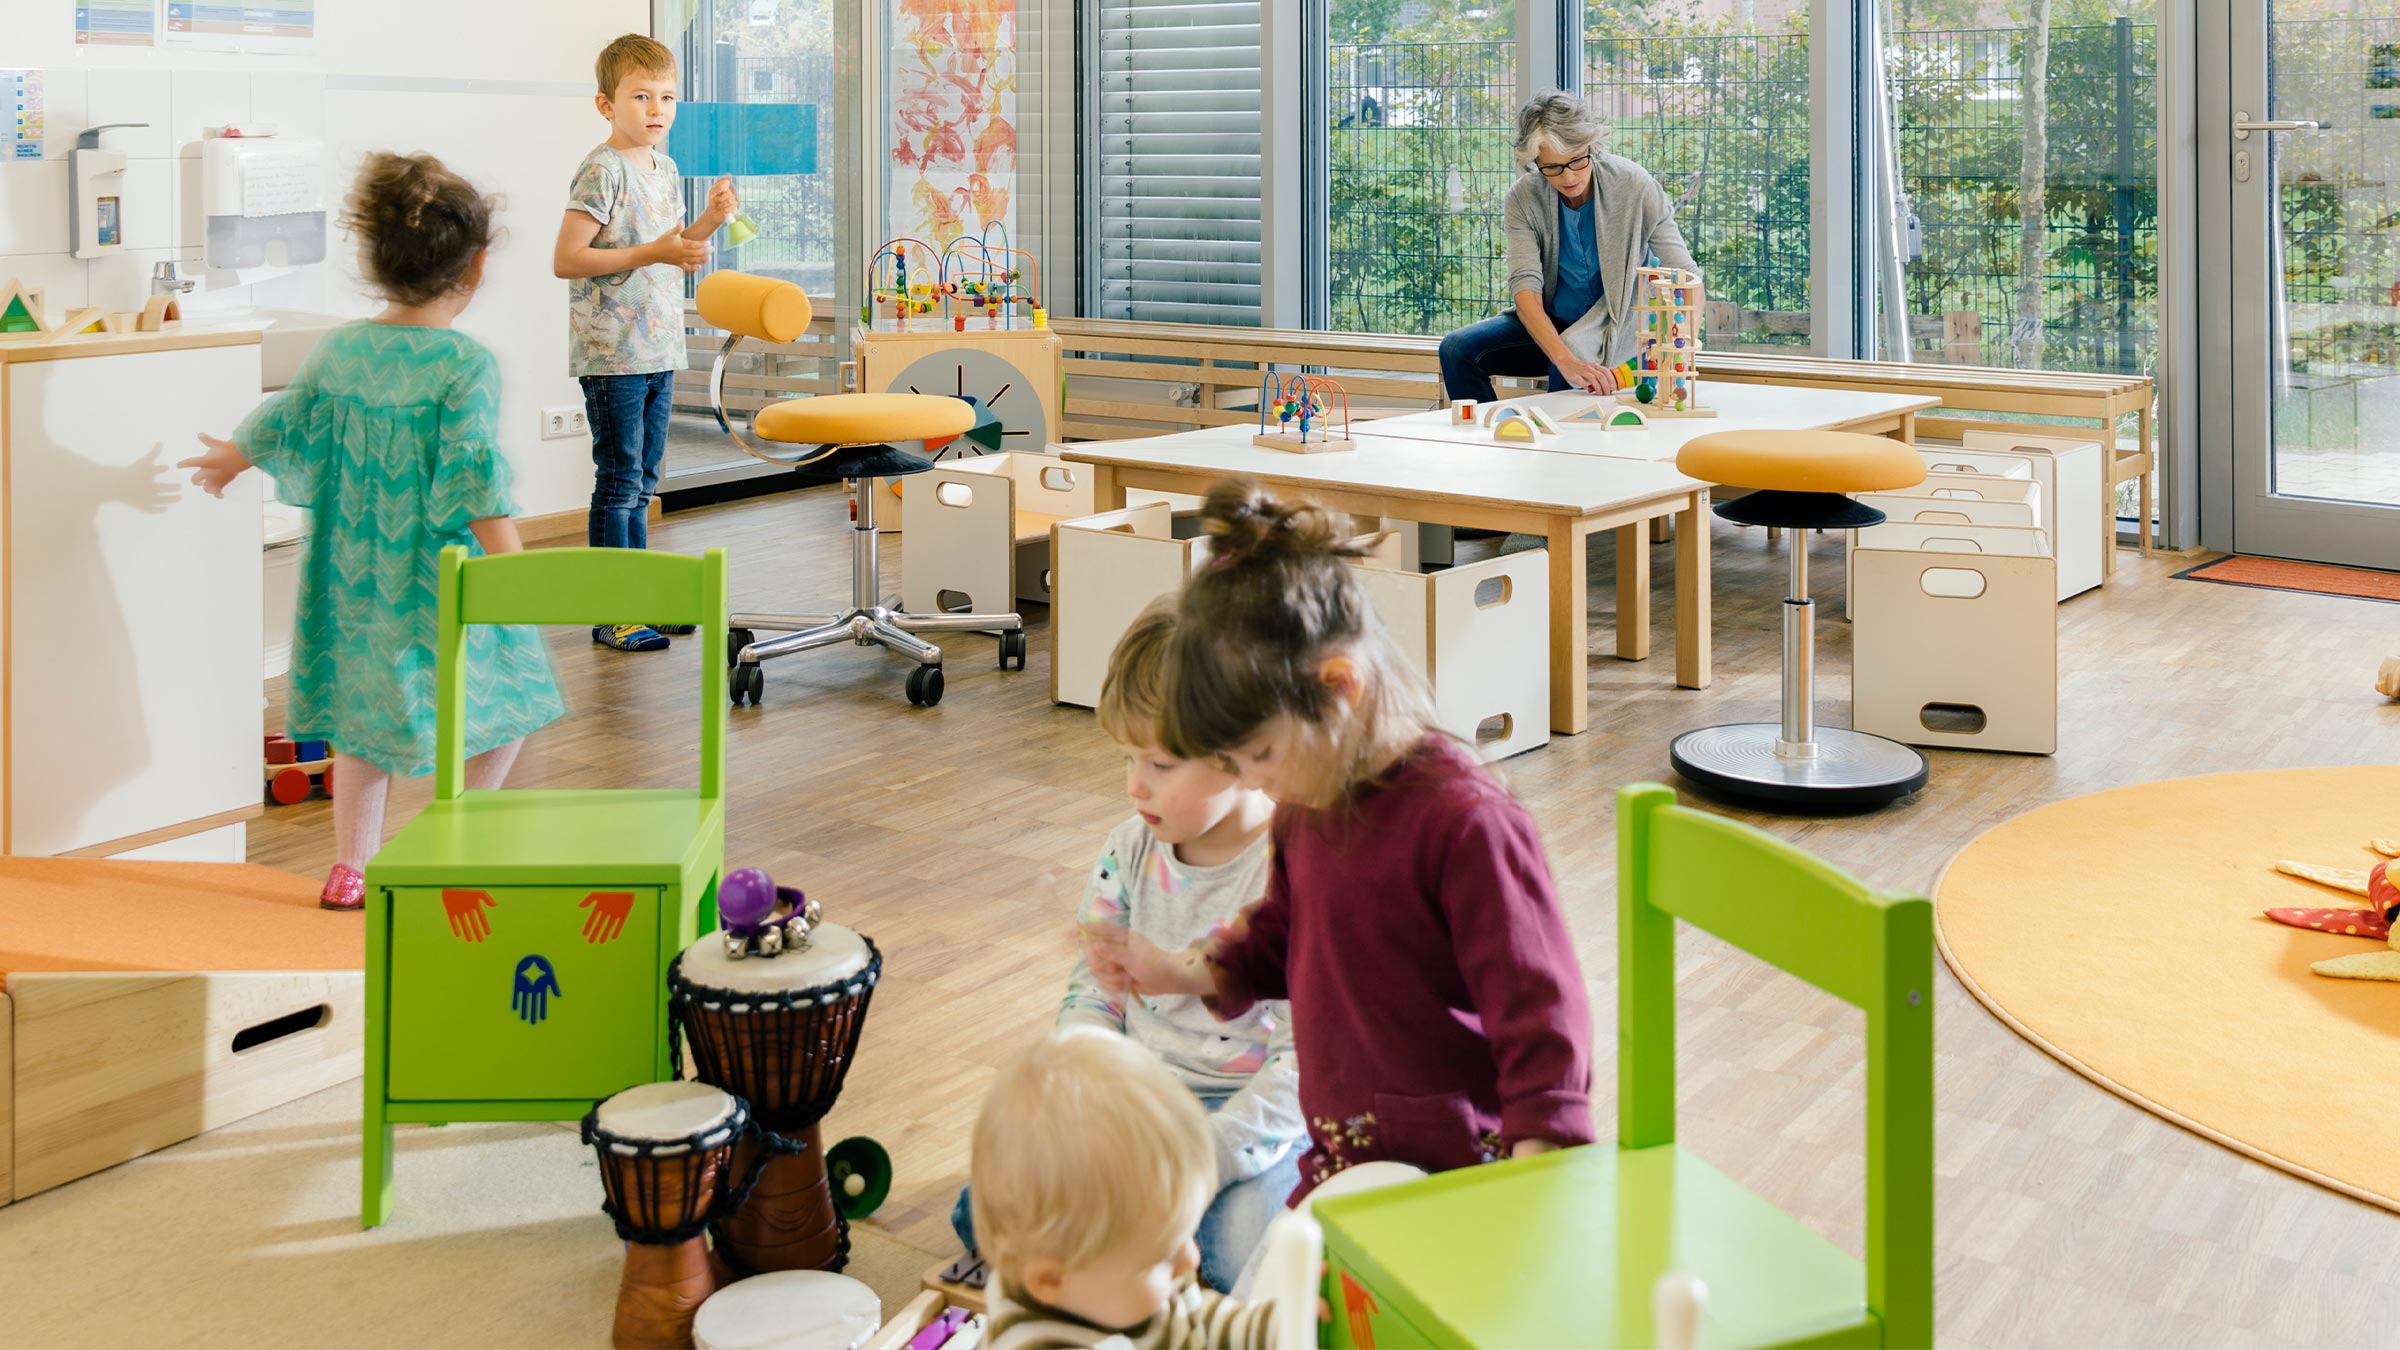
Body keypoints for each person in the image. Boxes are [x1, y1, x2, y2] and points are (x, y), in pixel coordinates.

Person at [1085, 479, 1594, 1200]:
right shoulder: (1308, 802)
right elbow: (1281, 937)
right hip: (1345, 1153)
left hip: (1459, 1173)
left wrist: (1538, 1172)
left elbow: (1541, 1017)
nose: (1257, 786)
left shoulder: (1466, 822)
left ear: (1339, 688)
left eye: (1259, 756)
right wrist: (1184, 971)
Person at [182, 152, 566, 912]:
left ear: (374, 262)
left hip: (353, 571)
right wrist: (512, 566)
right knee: (512, 695)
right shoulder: (464, 365)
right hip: (437, 572)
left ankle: (351, 868)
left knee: (362, 724)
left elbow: (288, 416)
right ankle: (457, 829)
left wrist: (233, 456)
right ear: (478, 265)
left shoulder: (342, 347)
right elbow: (471, 475)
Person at [951, 605, 1305, 1293]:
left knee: (1243, 1251)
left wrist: (1206, 1160)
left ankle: (1139, 1256)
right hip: (1137, 1111)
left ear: (1246, 756)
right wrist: (1086, 1078)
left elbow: (1307, 1061)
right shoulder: (1128, 847)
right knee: (986, 1209)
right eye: (1127, 757)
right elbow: (1094, 988)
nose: (1133, 784)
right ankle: (1141, 1256)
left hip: (1245, 1128)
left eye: (1160, 763)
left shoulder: (1294, 869)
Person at [552, 32, 739, 652]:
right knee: (619, 478)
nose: (657, 109)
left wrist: (710, 220)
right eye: (640, 96)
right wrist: (658, 250)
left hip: (660, 346)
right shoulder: (601, 168)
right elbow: (568, 258)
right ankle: (613, 610)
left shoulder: (665, 167)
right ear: (607, 105)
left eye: (667, 97)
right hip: (613, 354)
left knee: (646, 480)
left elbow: (671, 245)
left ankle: (644, 599)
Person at [971, 1027, 1289, 1349]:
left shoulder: (1118, 1285)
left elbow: (1193, 1320)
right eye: (1164, 1254)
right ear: (1051, 1280)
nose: (1190, 1260)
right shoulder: (1035, 1343)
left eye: (1184, 1237)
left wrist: (1276, 1325)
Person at [1437, 89, 1699, 404]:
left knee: (1576, 351)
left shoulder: (1634, 185)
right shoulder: (1523, 198)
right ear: (1535, 162)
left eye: (1577, 161)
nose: (1569, 176)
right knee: (1456, 350)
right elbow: (1526, 290)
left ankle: (1554, 448)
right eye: (1553, 168)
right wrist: (1564, 360)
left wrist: (1680, 344)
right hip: (1551, 323)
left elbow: (1686, 275)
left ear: (1592, 146)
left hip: (1617, 328)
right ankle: (1497, 434)